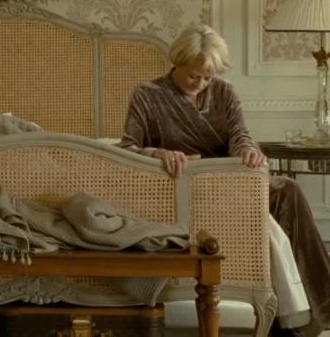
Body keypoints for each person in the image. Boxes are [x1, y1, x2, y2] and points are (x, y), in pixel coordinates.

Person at [119, 25, 330, 337]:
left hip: (229, 179)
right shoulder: (148, 95)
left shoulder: (223, 92)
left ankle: (312, 308)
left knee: (288, 190)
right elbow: (127, 149)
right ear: (178, 61)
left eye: (208, 78)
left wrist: (248, 152)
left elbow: (239, 134)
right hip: (182, 186)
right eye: (194, 76)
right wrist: (159, 153)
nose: (201, 84)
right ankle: (300, 313)